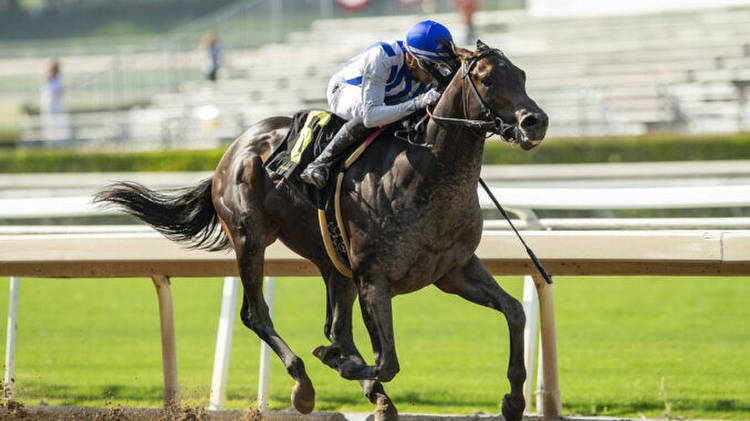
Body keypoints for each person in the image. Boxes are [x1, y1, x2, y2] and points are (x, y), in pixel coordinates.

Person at [300, 20, 456, 189]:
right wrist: (419, 102)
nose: (435, 73)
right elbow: (371, 117)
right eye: (431, 66)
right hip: (347, 91)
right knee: (373, 115)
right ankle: (319, 163)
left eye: (440, 65)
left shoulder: (421, 64)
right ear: (411, 58)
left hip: (387, 97)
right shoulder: (382, 56)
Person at [40, 58, 70, 143]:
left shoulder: (59, 77)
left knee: (60, 122)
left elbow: (61, 90)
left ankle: (60, 141)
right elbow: (48, 90)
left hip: (58, 103)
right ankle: (50, 141)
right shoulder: (47, 78)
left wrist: (61, 90)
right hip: (50, 104)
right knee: (50, 122)